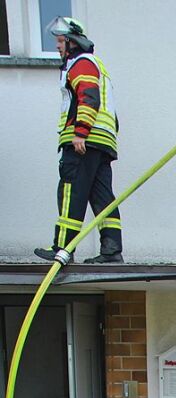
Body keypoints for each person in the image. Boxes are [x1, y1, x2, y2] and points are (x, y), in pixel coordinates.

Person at [34, 16, 122, 265]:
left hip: (84, 142)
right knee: (102, 197)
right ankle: (112, 251)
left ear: (73, 42)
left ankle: (63, 248)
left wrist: (80, 132)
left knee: (71, 191)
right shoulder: (98, 66)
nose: (58, 47)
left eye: (61, 41)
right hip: (102, 143)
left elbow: (88, 97)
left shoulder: (81, 64)